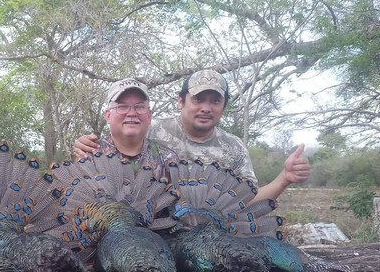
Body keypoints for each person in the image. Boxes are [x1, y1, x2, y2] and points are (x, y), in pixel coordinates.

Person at [74, 69, 311, 201]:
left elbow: (246, 200)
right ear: (181, 101)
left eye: (215, 101)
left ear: (223, 106)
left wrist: (285, 178)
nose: (206, 108)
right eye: (198, 99)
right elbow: (118, 137)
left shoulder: (234, 147)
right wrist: (85, 145)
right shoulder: (152, 128)